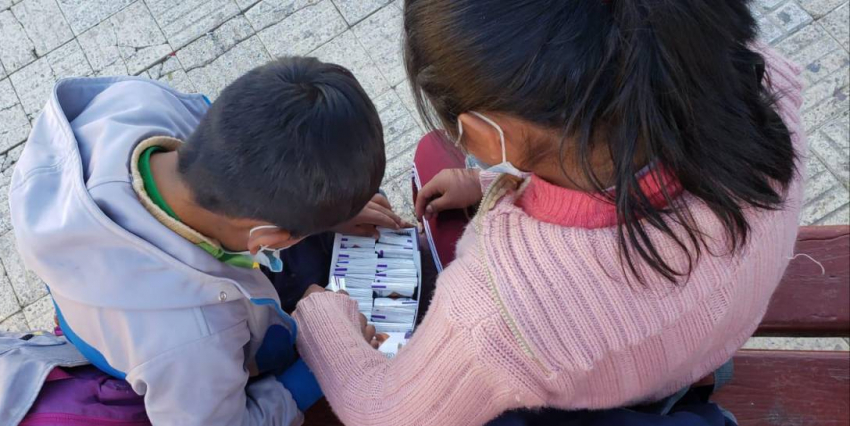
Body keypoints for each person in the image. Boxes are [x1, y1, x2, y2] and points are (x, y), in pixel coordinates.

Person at [293, 0, 805, 425]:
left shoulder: (502, 308)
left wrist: (321, 316)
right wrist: (491, 181)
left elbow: (385, 412)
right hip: (705, 332)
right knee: (434, 158)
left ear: (488, 134)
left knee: (430, 157)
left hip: (616, 388)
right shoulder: (748, 80)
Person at [9, 57, 388, 425]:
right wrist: (319, 364)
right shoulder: (196, 343)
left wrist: (327, 213)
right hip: (176, 362)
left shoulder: (137, 103)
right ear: (267, 238)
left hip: (102, 289)